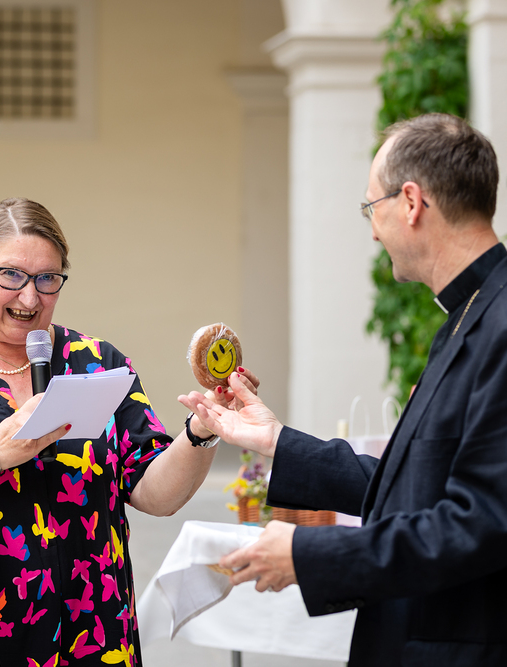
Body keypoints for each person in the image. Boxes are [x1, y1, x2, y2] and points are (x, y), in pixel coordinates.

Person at [0, 197, 259, 666]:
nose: (30, 298)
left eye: (47, 279)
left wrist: (201, 430)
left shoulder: (98, 363)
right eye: (11, 275)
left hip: (92, 638)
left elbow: (156, 495)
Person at [180, 113, 507, 666]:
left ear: (411, 202)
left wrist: (311, 554)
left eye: (370, 207)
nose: (373, 230)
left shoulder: (498, 322)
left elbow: (483, 522)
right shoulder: (469, 314)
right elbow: (411, 490)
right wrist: (276, 440)